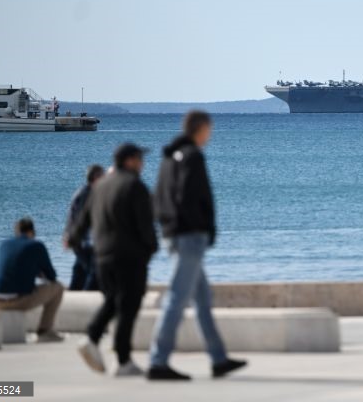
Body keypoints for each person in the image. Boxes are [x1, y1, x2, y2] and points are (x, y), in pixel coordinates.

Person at [148, 110, 247, 381]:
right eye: (209, 129)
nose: (210, 135)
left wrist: (169, 227)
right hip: (190, 237)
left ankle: (218, 359)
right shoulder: (192, 156)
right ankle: (158, 361)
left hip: (175, 234)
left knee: (202, 299)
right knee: (178, 299)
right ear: (200, 128)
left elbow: (159, 198)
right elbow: (192, 197)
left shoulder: (170, 157)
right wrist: (202, 229)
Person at [69, 143, 158, 377]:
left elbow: (83, 219)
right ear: (128, 160)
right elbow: (145, 225)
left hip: (103, 256)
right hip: (129, 257)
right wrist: (151, 248)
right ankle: (120, 357)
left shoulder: (100, 186)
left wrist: (73, 238)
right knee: (128, 306)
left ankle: (97, 341)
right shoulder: (134, 186)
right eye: (139, 159)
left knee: (114, 301)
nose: (142, 163)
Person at [0, 217, 64, 343]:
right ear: (32, 232)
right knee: (58, 287)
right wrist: (38, 273)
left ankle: (44, 331)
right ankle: (44, 331)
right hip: (19, 300)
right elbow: (52, 276)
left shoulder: (3, 244)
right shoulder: (36, 245)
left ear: (16, 232)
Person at [64, 164, 105, 291]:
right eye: (103, 176)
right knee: (94, 274)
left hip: (81, 241)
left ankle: (71, 298)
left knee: (80, 273)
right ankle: (87, 300)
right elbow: (82, 220)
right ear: (96, 177)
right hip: (84, 242)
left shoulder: (86, 192)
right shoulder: (87, 194)